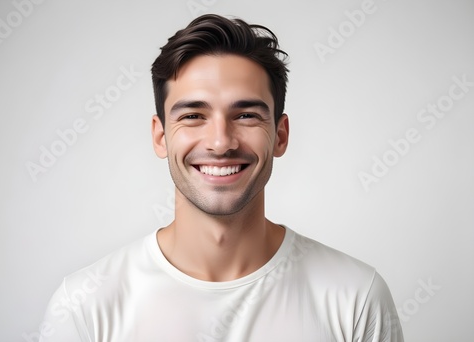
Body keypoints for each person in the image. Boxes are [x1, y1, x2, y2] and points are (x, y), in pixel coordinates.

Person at [39, 14, 404, 341]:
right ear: (160, 136)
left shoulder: (356, 299)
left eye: (246, 115)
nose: (220, 143)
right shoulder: (84, 307)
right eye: (193, 115)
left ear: (280, 135)